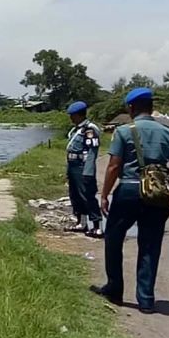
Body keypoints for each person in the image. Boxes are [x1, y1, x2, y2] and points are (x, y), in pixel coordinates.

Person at [94, 87, 169, 313]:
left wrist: (104, 194)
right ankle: (146, 299)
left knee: (114, 239)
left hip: (128, 191)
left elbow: (114, 166)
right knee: (150, 245)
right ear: (152, 107)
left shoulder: (124, 132)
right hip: (158, 194)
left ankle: (115, 290)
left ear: (131, 108)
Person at [64, 101, 103, 237]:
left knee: (87, 195)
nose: (71, 118)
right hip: (73, 165)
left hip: (83, 166)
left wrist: (88, 171)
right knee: (75, 194)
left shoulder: (89, 129)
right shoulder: (76, 129)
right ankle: (81, 222)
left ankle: (97, 225)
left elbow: (92, 152)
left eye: (72, 115)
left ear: (79, 115)